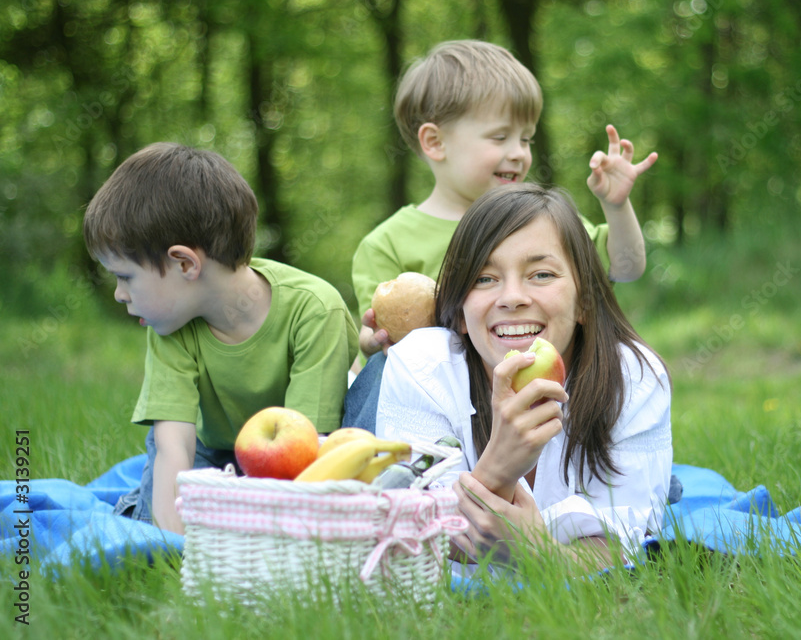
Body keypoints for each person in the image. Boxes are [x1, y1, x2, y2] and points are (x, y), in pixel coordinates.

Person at [375, 183, 672, 572]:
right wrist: (499, 465)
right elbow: (413, 538)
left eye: (541, 274)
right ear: (461, 312)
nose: (512, 297)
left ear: (584, 301)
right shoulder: (418, 366)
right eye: (484, 278)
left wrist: (534, 551)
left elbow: (627, 548)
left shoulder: (633, 378)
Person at [83, 142, 359, 535]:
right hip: (210, 455)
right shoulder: (170, 323)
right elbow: (174, 444)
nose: (119, 293)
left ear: (184, 263)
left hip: (299, 453)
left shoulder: (314, 311)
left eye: (124, 276)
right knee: (151, 505)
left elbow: (307, 449)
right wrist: (170, 545)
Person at [350, 39, 657, 367]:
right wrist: (372, 342)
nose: (518, 152)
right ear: (435, 142)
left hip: (547, 386)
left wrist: (616, 205)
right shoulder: (387, 245)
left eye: (526, 139)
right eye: (500, 137)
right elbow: (377, 335)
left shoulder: (542, 221)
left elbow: (626, 268)